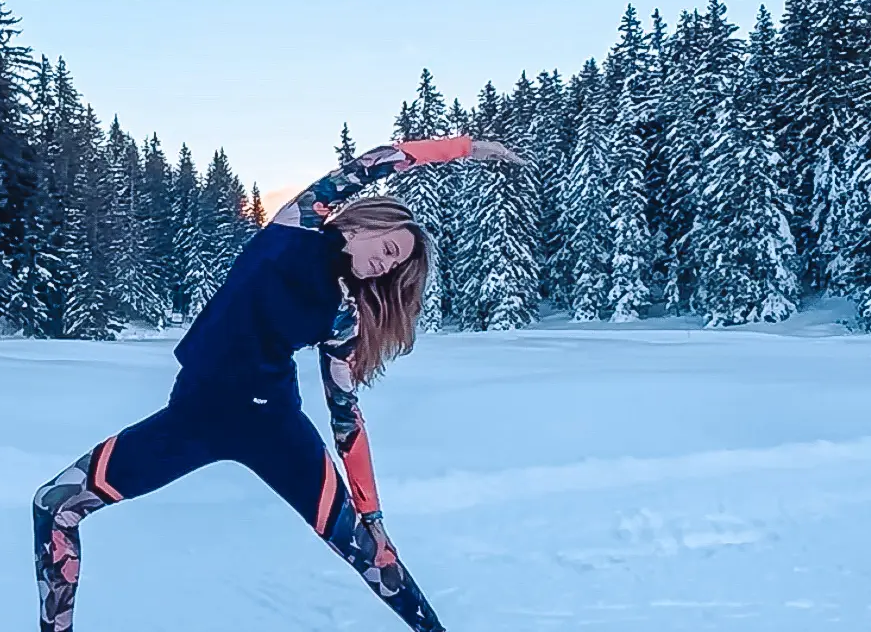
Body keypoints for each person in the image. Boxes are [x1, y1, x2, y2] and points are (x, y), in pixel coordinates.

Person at [33, 135, 526, 632]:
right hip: (191, 419)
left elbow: (346, 415)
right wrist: (466, 148)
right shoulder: (298, 225)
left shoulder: (344, 315)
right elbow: (375, 163)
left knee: (371, 555)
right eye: (390, 249)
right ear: (365, 224)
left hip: (273, 427)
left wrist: (372, 517)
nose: (387, 265)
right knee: (55, 506)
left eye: (395, 266)